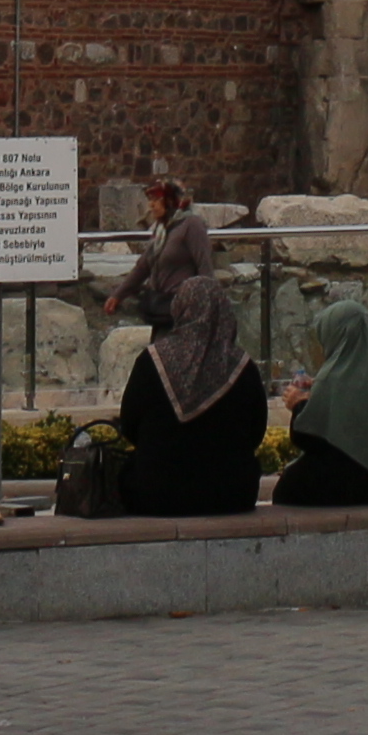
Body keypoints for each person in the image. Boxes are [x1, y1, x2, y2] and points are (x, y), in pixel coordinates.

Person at [82, 208, 265, 515]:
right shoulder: (241, 367)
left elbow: (130, 424)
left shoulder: (154, 360)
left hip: (157, 494)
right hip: (232, 494)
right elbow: (256, 431)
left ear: (180, 310)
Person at [269, 292, 368, 511]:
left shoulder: (332, 378)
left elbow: (309, 438)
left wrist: (299, 404)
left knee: (289, 486)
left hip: (363, 479)